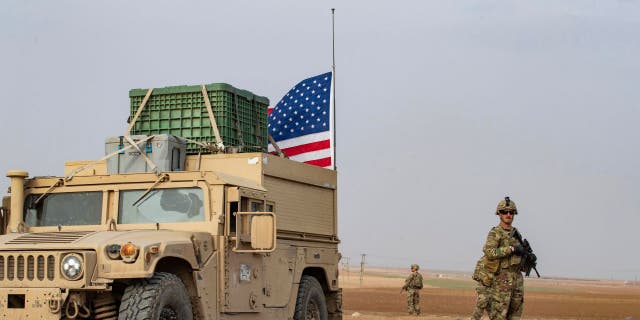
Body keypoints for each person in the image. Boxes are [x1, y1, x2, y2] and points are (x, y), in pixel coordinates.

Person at [477, 196, 526, 320]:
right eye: (505, 212)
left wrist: (527, 257)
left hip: (516, 280)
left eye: (511, 212)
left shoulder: (517, 234)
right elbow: (490, 252)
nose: (508, 214)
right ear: (499, 214)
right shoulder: (495, 233)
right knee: (499, 316)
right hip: (501, 281)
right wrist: (511, 249)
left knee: (515, 316)